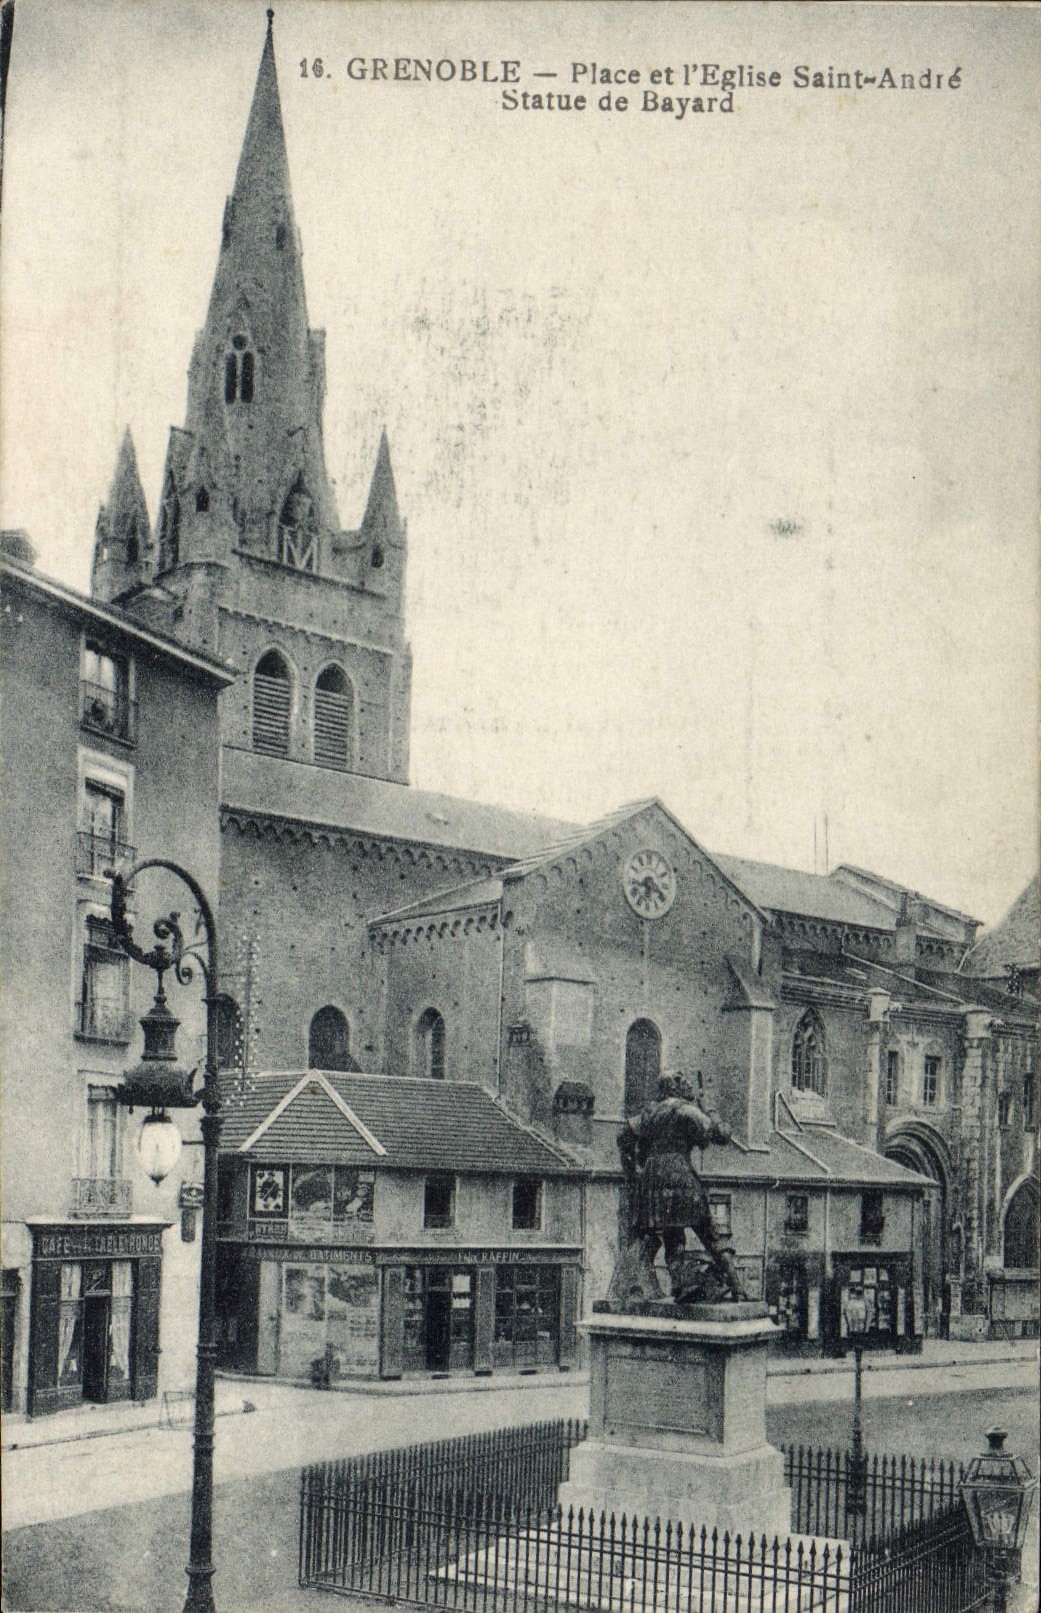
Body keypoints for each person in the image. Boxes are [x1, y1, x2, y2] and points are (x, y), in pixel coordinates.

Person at [617, 1071, 745, 1301]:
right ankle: (738, 1286)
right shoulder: (685, 1110)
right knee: (709, 1232)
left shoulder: (649, 1113)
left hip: (652, 1184)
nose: (690, 1089)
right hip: (680, 1176)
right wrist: (709, 1108)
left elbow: (623, 1136)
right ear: (676, 1088)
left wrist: (633, 1175)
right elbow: (721, 1134)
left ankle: (681, 1285)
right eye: (686, 1084)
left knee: (672, 1236)